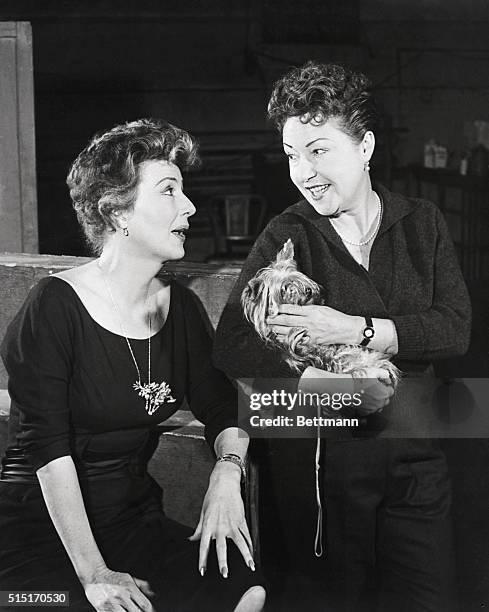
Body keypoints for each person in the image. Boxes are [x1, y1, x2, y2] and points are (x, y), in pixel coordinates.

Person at [213, 62, 471, 611]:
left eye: (318, 149)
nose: (302, 170)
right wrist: (321, 383)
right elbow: (233, 341)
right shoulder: (288, 232)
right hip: (327, 468)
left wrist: (356, 329)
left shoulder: (422, 222)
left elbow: (456, 327)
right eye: (290, 154)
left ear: (366, 145)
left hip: (418, 458)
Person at [0, 119, 266, 612]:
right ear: (116, 210)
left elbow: (223, 406)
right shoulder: (54, 307)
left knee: (245, 590)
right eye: (168, 191)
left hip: (133, 522)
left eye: (183, 191)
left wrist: (228, 472)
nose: (188, 207)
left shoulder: (180, 308)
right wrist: (94, 574)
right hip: (42, 536)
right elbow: (47, 449)